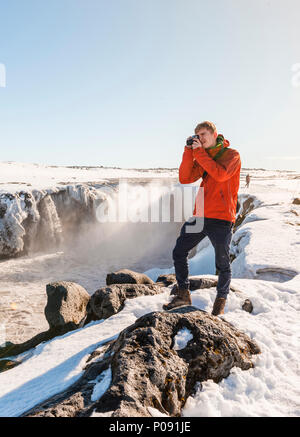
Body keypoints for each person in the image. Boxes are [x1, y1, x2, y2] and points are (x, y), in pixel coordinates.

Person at [163, 121, 241, 316]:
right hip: (200, 215)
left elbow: (220, 175)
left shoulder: (232, 155)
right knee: (179, 251)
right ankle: (183, 294)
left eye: (204, 134)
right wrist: (189, 152)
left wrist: (199, 153)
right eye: (197, 135)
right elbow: (185, 177)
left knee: (222, 263)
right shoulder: (202, 156)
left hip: (222, 218)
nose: (201, 138)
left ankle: (220, 303)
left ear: (215, 135)